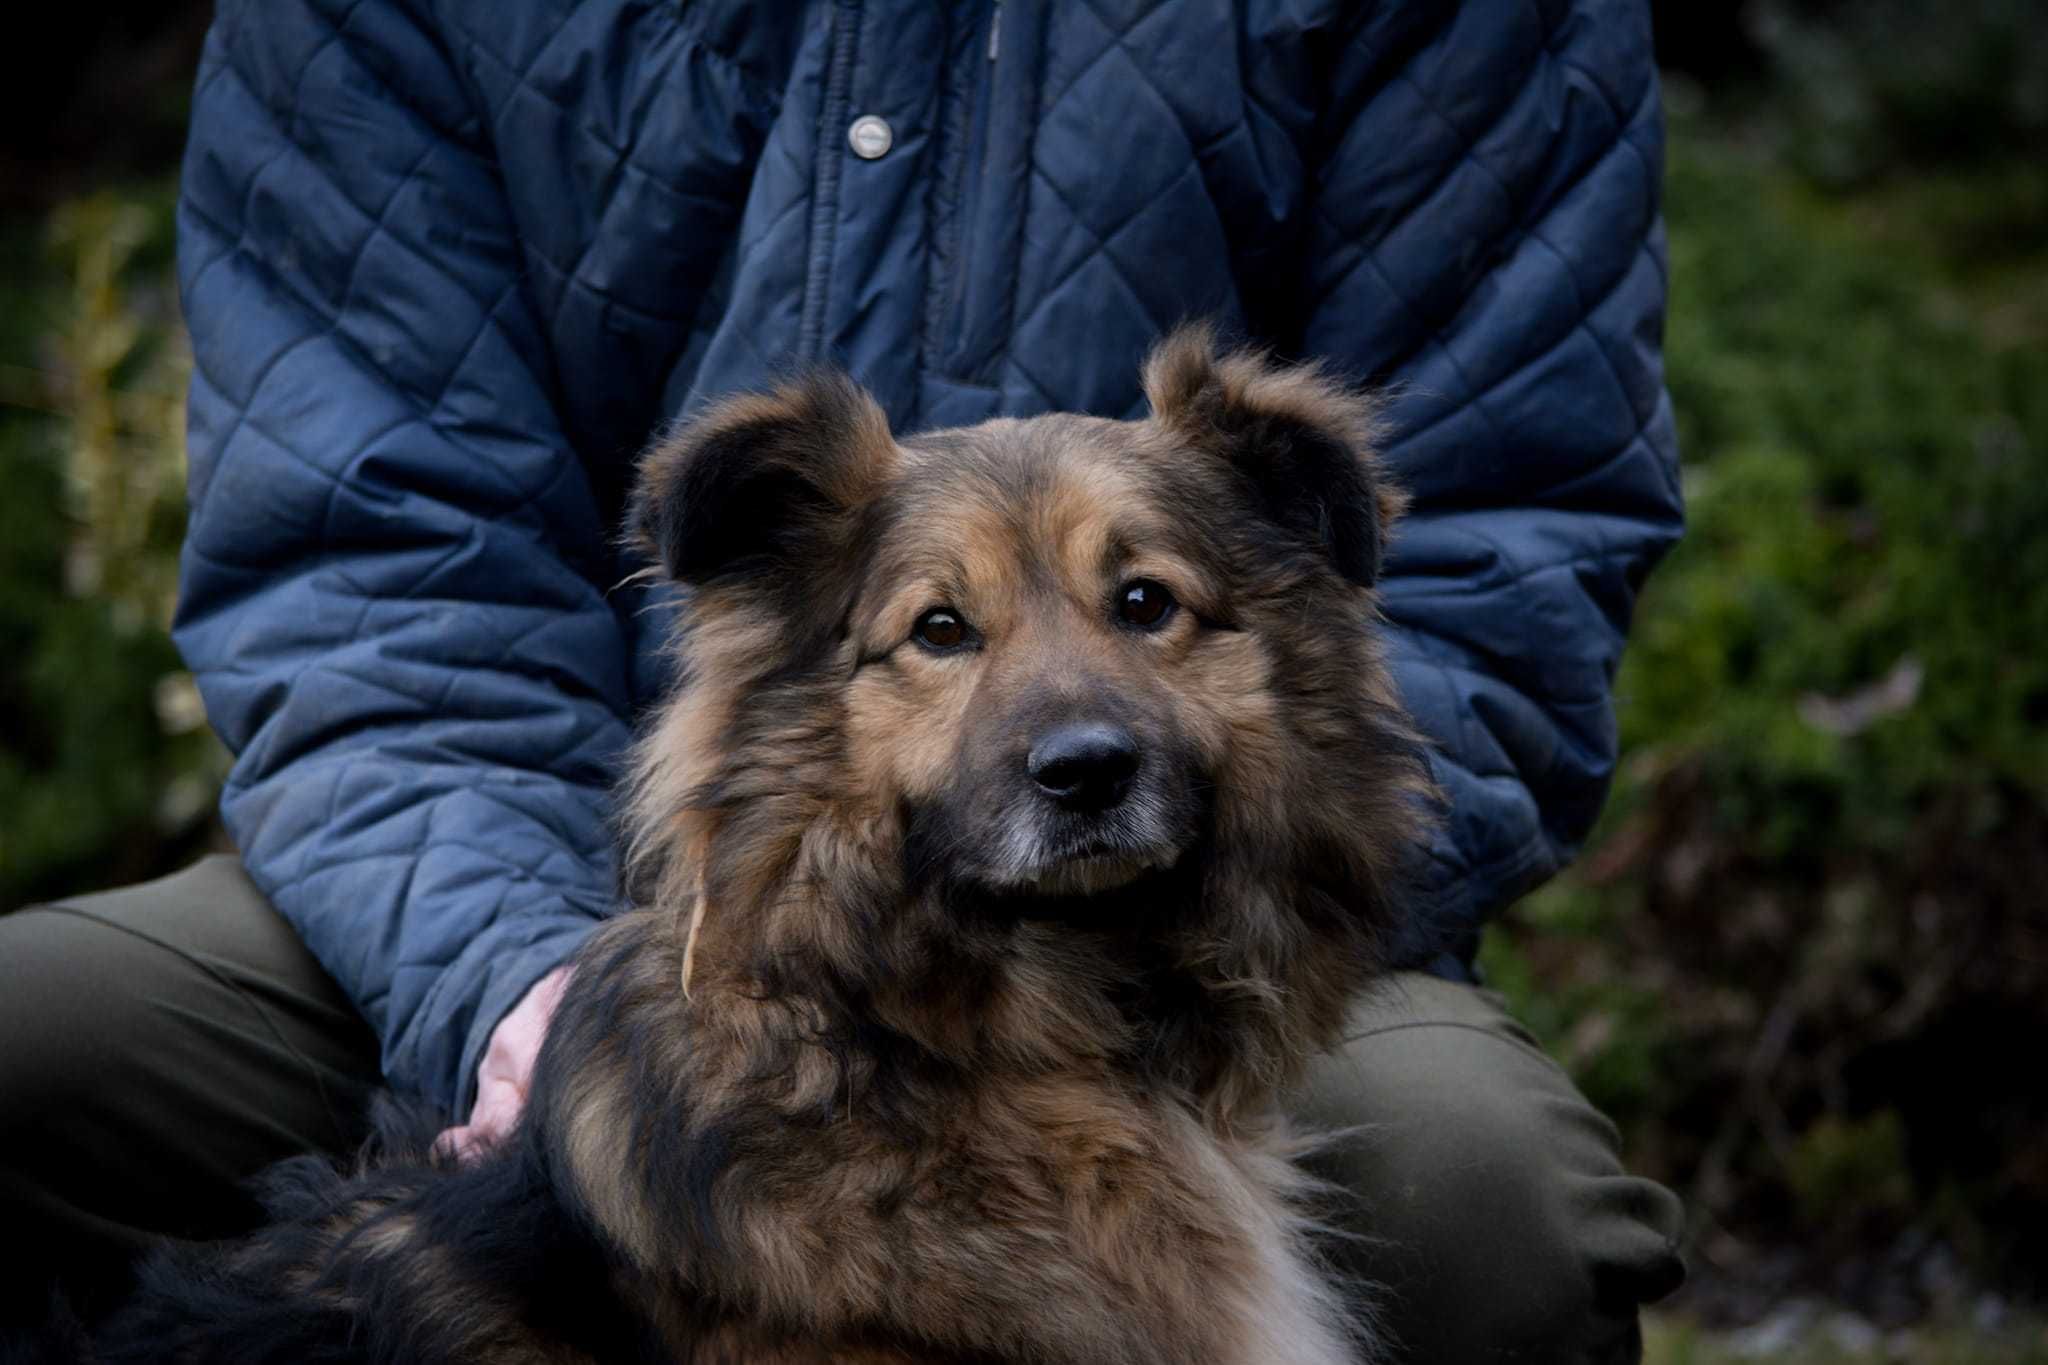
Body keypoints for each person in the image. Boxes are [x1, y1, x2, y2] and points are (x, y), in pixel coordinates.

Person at [0, 0, 1688, 1357]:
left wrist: (1235, 929)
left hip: (1224, 945)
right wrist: (505, 972)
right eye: (947, 631)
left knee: (1491, 1200)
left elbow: (1502, 534)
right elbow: (370, 567)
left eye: (1143, 598)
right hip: (530, 888)